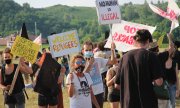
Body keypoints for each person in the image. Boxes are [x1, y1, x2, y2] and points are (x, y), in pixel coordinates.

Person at [114, 29, 163, 108]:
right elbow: (159, 82)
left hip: (128, 103)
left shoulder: (124, 57)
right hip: (147, 102)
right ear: (148, 41)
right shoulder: (152, 56)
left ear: (135, 41)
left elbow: (117, 85)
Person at [82, 41, 116, 108]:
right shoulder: (81, 63)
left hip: (99, 92)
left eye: (90, 50)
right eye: (86, 50)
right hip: (87, 94)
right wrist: (89, 65)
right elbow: (82, 76)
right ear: (83, 51)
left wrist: (112, 50)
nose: (88, 51)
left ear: (93, 50)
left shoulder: (98, 60)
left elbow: (113, 61)